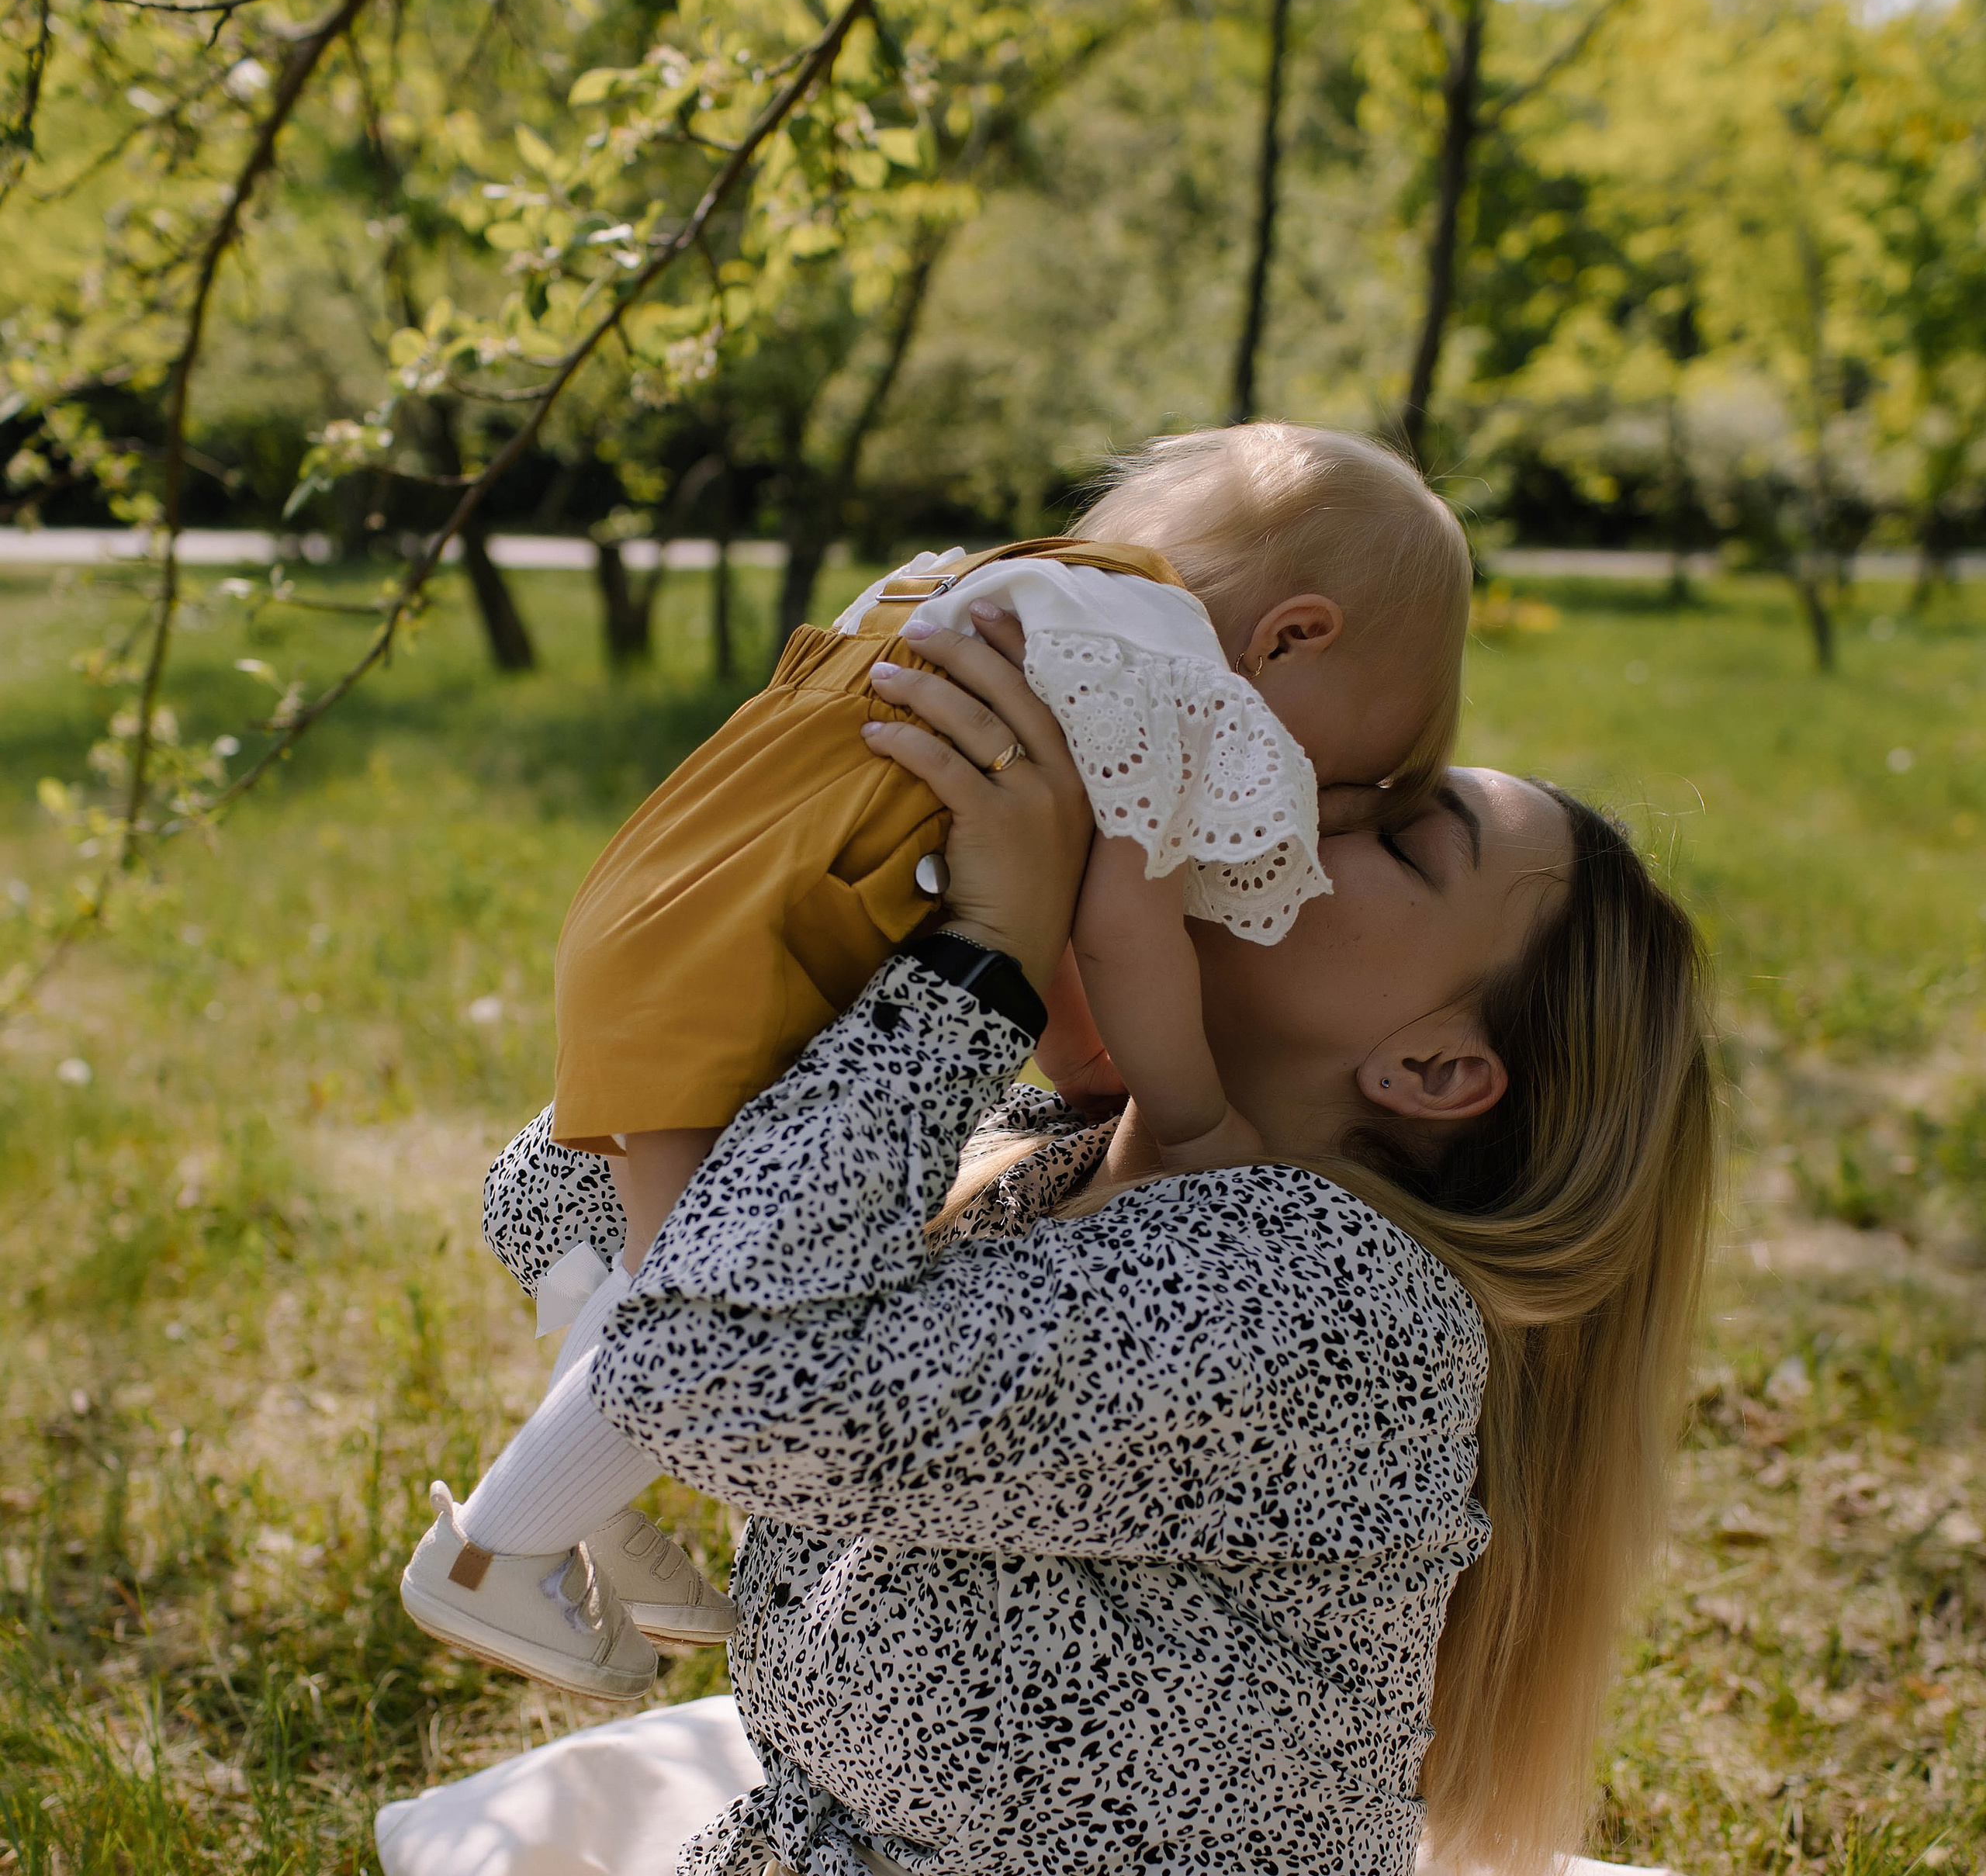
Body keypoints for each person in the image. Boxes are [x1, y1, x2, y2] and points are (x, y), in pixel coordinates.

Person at [0, 620, 1716, 1876]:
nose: (1294, 800)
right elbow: (564, 1187)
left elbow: (708, 1372)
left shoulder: (1328, 1309)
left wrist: (973, 966)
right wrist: (823, 844)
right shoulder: (1053, 1163)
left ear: (1429, 1067)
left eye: (1391, 837)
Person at [397, 426, 1472, 1701]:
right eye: (1324, 782)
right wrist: (1190, 1117)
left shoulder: (1007, 596)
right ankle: (492, 1552)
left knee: (668, 1268)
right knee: (687, 1294)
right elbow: (1118, 929)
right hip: (750, 946)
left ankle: (591, 1506)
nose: (1289, 820)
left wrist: (1081, 1055)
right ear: (1291, 640)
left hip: (675, 900)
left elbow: (1051, 930)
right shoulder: (1163, 676)